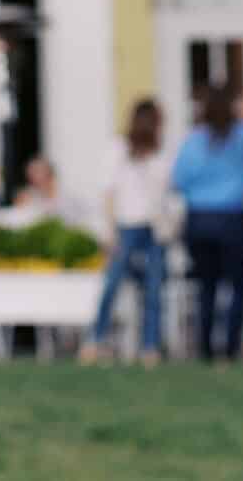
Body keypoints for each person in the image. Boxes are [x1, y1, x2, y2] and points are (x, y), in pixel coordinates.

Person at [170, 85, 243, 363]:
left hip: (200, 219)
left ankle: (205, 347)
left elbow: (179, 181)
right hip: (232, 219)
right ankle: (230, 348)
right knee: (237, 286)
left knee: (206, 286)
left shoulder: (193, 141)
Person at [83, 98, 169, 365]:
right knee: (112, 285)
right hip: (126, 227)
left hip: (154, 227)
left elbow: (166, 191)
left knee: (154, 290)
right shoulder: (118, 149)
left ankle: (150, 346)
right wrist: (109, 231)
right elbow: (108, 192)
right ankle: (94, 340)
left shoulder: (161, 153)